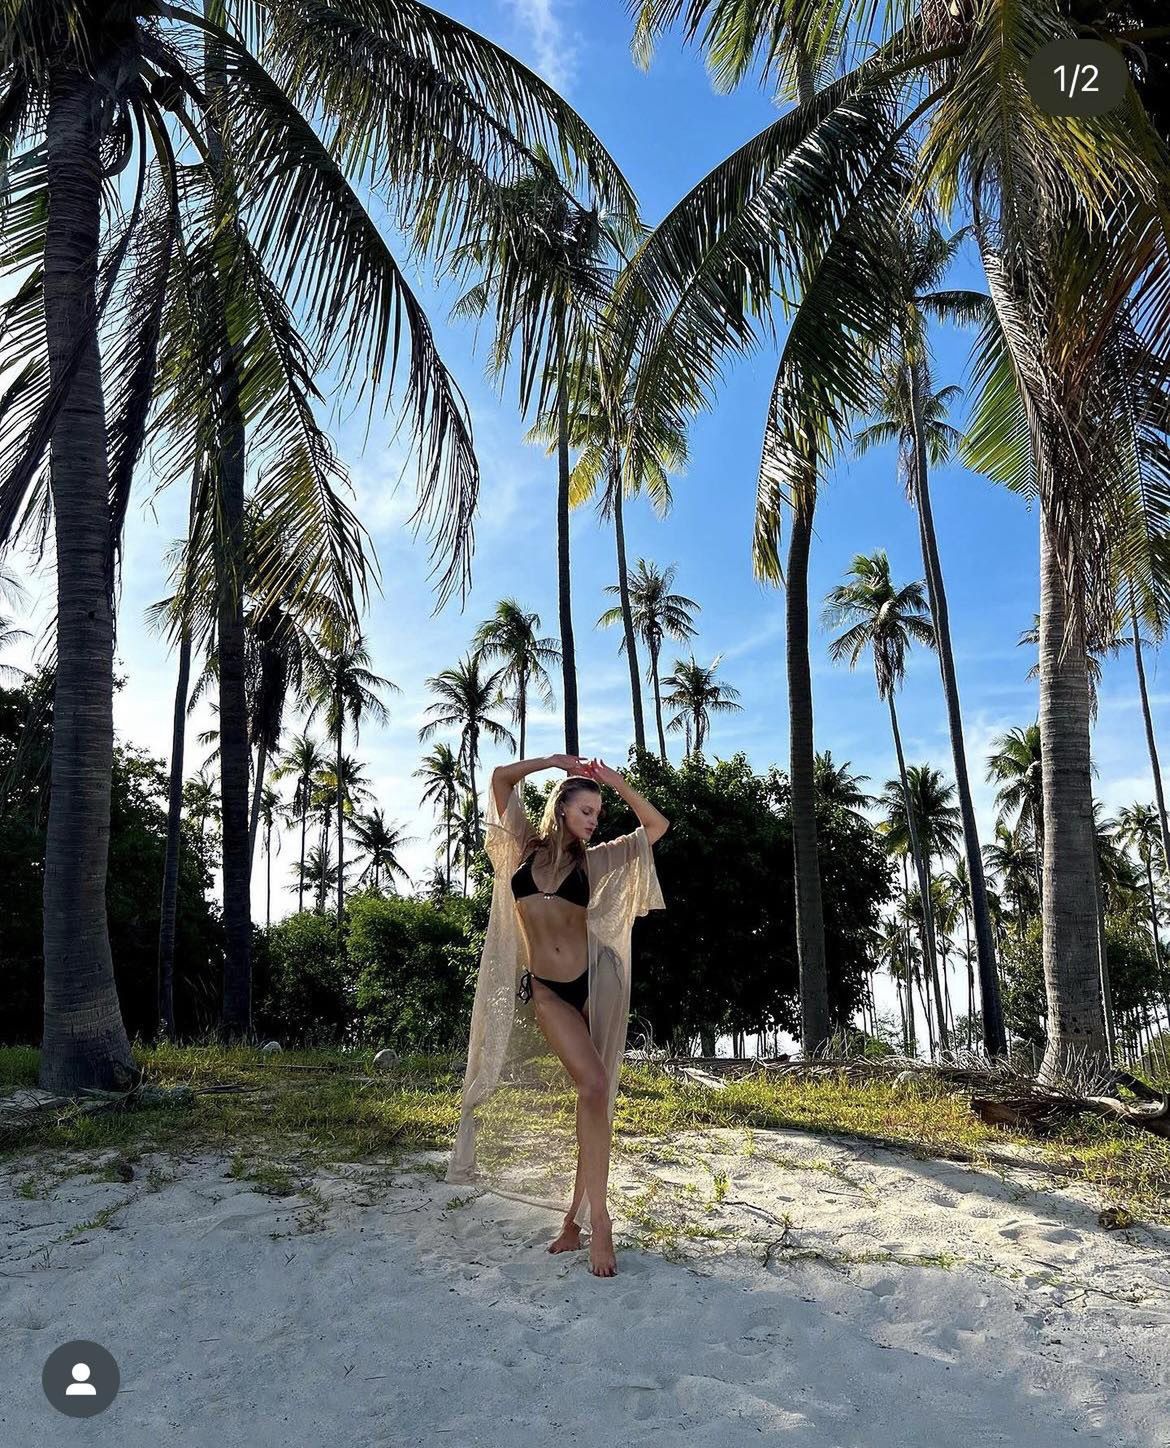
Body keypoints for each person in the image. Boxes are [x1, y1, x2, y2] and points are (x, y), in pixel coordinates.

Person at [445, 752, 669, 1277]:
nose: (594, 820)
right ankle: (591, 1217)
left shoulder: (596, 861)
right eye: (587, 810)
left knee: (593, 1093)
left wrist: (615, 781)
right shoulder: (523, 847)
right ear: (562, 807)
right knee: (591, 1087)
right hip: (548, 990)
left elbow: (655, 826)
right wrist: (551, 762)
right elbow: (500, 779)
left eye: (598, 813)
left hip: (599, 981)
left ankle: (585, 1220)